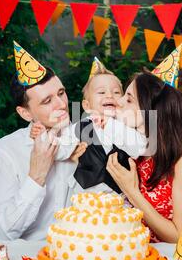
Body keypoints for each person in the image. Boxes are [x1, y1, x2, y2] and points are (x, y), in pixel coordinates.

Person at [106, 47, 182, 244]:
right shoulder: (131, 151)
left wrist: (132, 192)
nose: (118, 102)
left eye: (129, 99)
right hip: (134, 255)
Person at [0, 41, 85, 241]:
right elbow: (3, 232)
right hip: (27, 258)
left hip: (78, 254)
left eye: (61, 93)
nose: (61, 105)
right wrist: (36, 175)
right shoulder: (7, 149)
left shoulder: (86, 135)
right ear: (25, 113)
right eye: (47, 101)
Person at [30, 57, 147, 202]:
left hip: (121, 202)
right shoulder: (80, 127)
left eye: (116, 92)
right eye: (101, 92)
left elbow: (140, 148)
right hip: (85, 201)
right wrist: (43, 136)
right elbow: (60, 150)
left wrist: (111, 125)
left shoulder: (126, 125)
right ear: (87, 106)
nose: (109, 95)